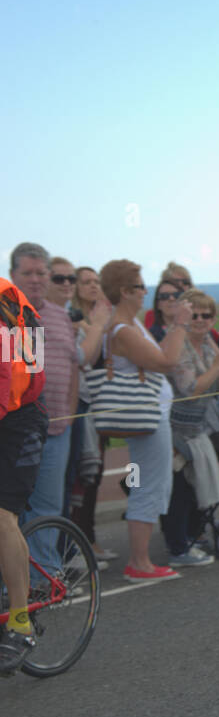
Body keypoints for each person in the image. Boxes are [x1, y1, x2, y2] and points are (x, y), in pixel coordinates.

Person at [99, 260, 194, 580]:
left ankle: (141, 560)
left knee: (152, 483)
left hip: (152, 414)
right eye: (139, 287)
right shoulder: (123, 329)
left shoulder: (128, 325)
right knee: (149, 486)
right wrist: (180, 324)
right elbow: (166, 362)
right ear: (124, 291)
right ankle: (139, 562)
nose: (145, 292)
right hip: (147, 416)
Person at [12, 243, 79, 574]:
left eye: (42, 273)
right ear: (13, 275)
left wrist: (68, 407)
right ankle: (15, 580)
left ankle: (46, 577)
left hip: (57, 428)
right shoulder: (8, 314)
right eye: (28, 273)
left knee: (48, 506)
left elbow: (73, 365)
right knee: (11, 509)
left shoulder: (58, 315)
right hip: (16, 427)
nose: (36, 279)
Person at [162, 289, 219, 565]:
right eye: (195, 314)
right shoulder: (178, 344)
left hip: (196, 426)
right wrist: (218, 364)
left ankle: (191, 538)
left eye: (207, 315)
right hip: (172, 426)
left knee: (194, 486)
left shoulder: (206, 343)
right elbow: (190, 388)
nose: (201, 320)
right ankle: (177, 548)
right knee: (179, 488)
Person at [0, 274, 47, 673]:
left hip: (19, 420)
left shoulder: (3, 308)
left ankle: (20, 620)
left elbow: (8, 382)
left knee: (1, 516)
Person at [65, 267, 114, 560]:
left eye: (97, 282)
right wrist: (92, 328)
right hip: (80, 402)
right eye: (86, 282)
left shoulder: (102, 320)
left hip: (100, 401)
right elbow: (86, 359)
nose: (93, 286)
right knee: (80, 476)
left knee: (94, 473)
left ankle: (90, 540)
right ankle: (79, 544)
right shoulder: (72, 319)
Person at [144, 263, 193, 330]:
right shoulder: (152, 316)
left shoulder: (200, 312)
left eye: (185, 282)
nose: (181, 286)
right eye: (176, 282)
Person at [150, 275, 187, 343]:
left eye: (176, 295)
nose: (171, 299)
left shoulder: (195, 327)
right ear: (158, 305)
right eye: (164, 296)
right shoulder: (153, 335)